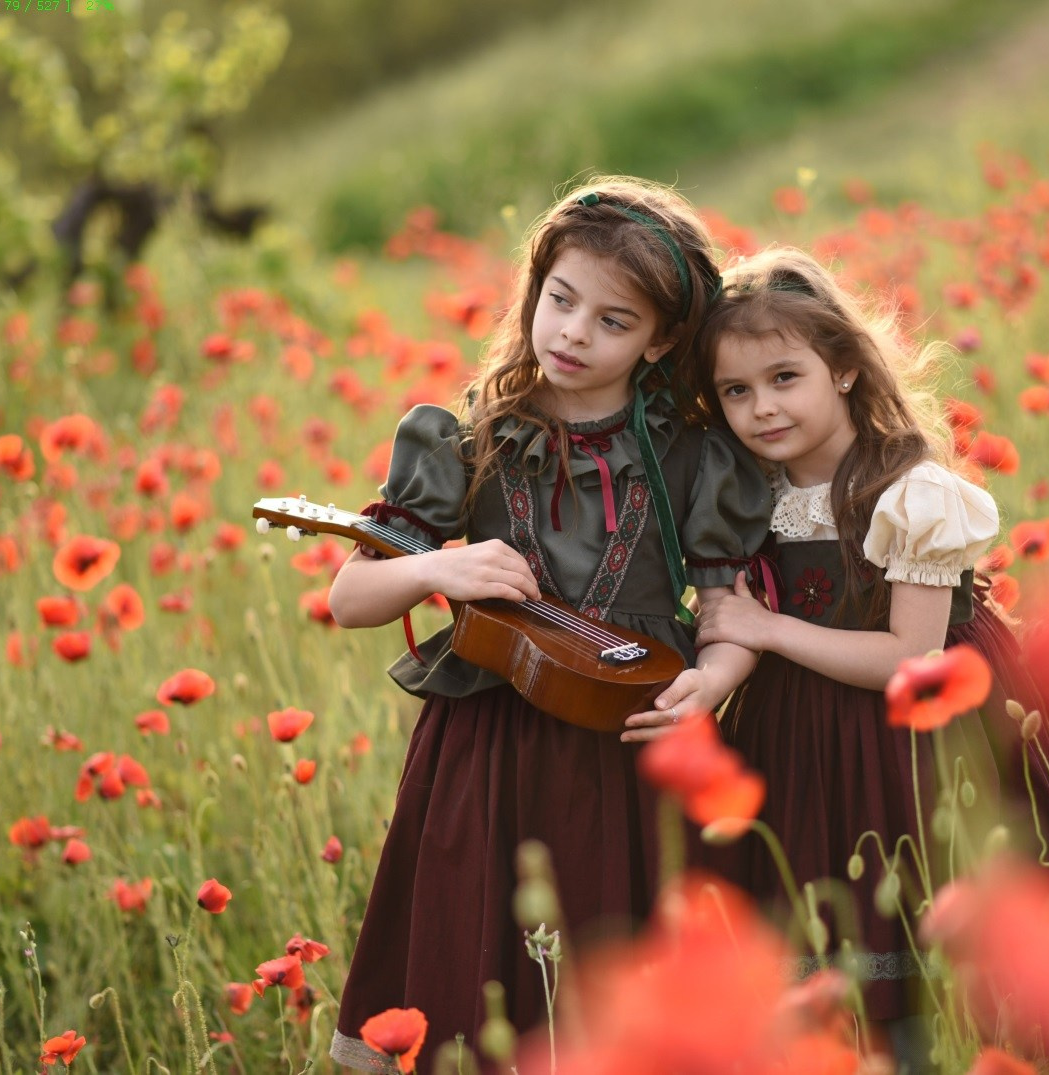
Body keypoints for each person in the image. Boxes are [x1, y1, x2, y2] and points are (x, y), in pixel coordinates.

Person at [326, 178, 772, 1073]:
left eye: (613, 321)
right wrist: (435, 567)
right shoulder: (468, 435)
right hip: (487, 751)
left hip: (631, 746)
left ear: (663, 340)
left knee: (615, 969)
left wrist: (713, 682)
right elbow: (350, 599)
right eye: (560, 301)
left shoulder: (694, 454)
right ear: (535, 290)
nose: (573, 332)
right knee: (481, 970)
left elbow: (728, 613)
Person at [662, 246, 1049, 1073]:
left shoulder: (910, 493)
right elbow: (729, 619)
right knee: (832, 930)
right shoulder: (748, 492)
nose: (761, 409)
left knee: (930, 917)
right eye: (736, 392)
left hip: (919, 733)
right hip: (801, 738)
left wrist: (770, 629)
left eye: (785, 378)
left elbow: (910, 656)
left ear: (846, 369)